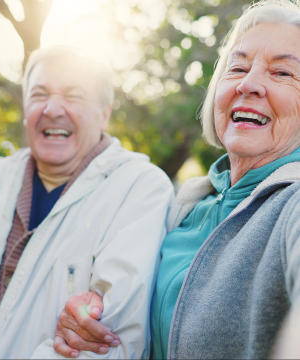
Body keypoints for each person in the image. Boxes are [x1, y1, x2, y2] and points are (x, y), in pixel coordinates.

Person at [53, 1, 300, 359]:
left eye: (282, 73)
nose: (249, 84)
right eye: (238, 67)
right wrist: (94, 308)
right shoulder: (185, 206)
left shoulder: (292, 206)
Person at [0, 46, 174, 359]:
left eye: (74, 95)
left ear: (105, 112)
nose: (52, 108)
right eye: (39, 94)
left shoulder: (139, 189)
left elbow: (112, 341)